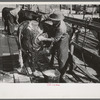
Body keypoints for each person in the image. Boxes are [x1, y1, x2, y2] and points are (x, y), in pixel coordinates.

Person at [40, 10, 74, 82]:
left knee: (62, 56)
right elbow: (45, 16)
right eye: (52, 20)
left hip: (63, 39)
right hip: (57, 35)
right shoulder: (55, 21)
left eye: (53, 20)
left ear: (58, 20)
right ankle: (69, 66)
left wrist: (44, 38)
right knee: (55, 51)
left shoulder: (61, 28)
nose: (52, 21)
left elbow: (55, 39)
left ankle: (62, 74)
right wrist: (42, 19)